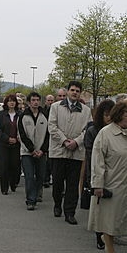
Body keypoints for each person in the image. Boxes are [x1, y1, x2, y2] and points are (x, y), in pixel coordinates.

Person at [88, 99, 127, 253]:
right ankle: (110, 252)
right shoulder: (105, 134)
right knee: (109, 219)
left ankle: (108, 243)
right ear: (119, 115)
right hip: (111, 183)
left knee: (121, 218)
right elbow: (97, 161)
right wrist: (98, 184)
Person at [48, 81, 92, 225]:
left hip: (76, 152)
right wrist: (64, 141)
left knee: (73, 184)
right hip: (59, 151)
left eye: (77, 91)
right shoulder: (56, 107)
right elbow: (52, 127)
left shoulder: (86, 111)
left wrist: (77, 142)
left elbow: (88, 130)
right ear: (67, 91)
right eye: (72, 90)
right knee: (58, 182)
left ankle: (70, 212)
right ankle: (57, 204)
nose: (74, 93)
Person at [83, 98, 115, 250]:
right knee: (98, 205)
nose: (109, 118)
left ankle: (108, 234)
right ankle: (99, 235)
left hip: (113, 173)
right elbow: (91, 157)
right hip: (96, 171)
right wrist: (92, 179)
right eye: (106, 115)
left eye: (111, 115)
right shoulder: (92, 131)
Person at [18, 92, 49, 210]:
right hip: (27, 152)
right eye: (33, 100)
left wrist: (42, 150)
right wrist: (31, 149)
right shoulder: (23, 116)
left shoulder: (45, 115)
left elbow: (48, 134)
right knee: (29, 176)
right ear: (29, 102)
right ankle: (31, 200)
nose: (35, 102)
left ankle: (38, 193)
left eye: (37, 100)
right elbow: (22, 134)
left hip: (41, 151)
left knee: (40, 176)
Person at [0, 94, 21, 195]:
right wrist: (7, 138)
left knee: (15, 165)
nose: (12, 103)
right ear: (6, 103)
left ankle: (13, 184)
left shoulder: (20, 114)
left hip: (16, 143)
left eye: (13, 101)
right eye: (9, 101)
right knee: (4, 166)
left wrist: (17, 138)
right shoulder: (0, 115)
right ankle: (4, 188)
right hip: (3, 144)